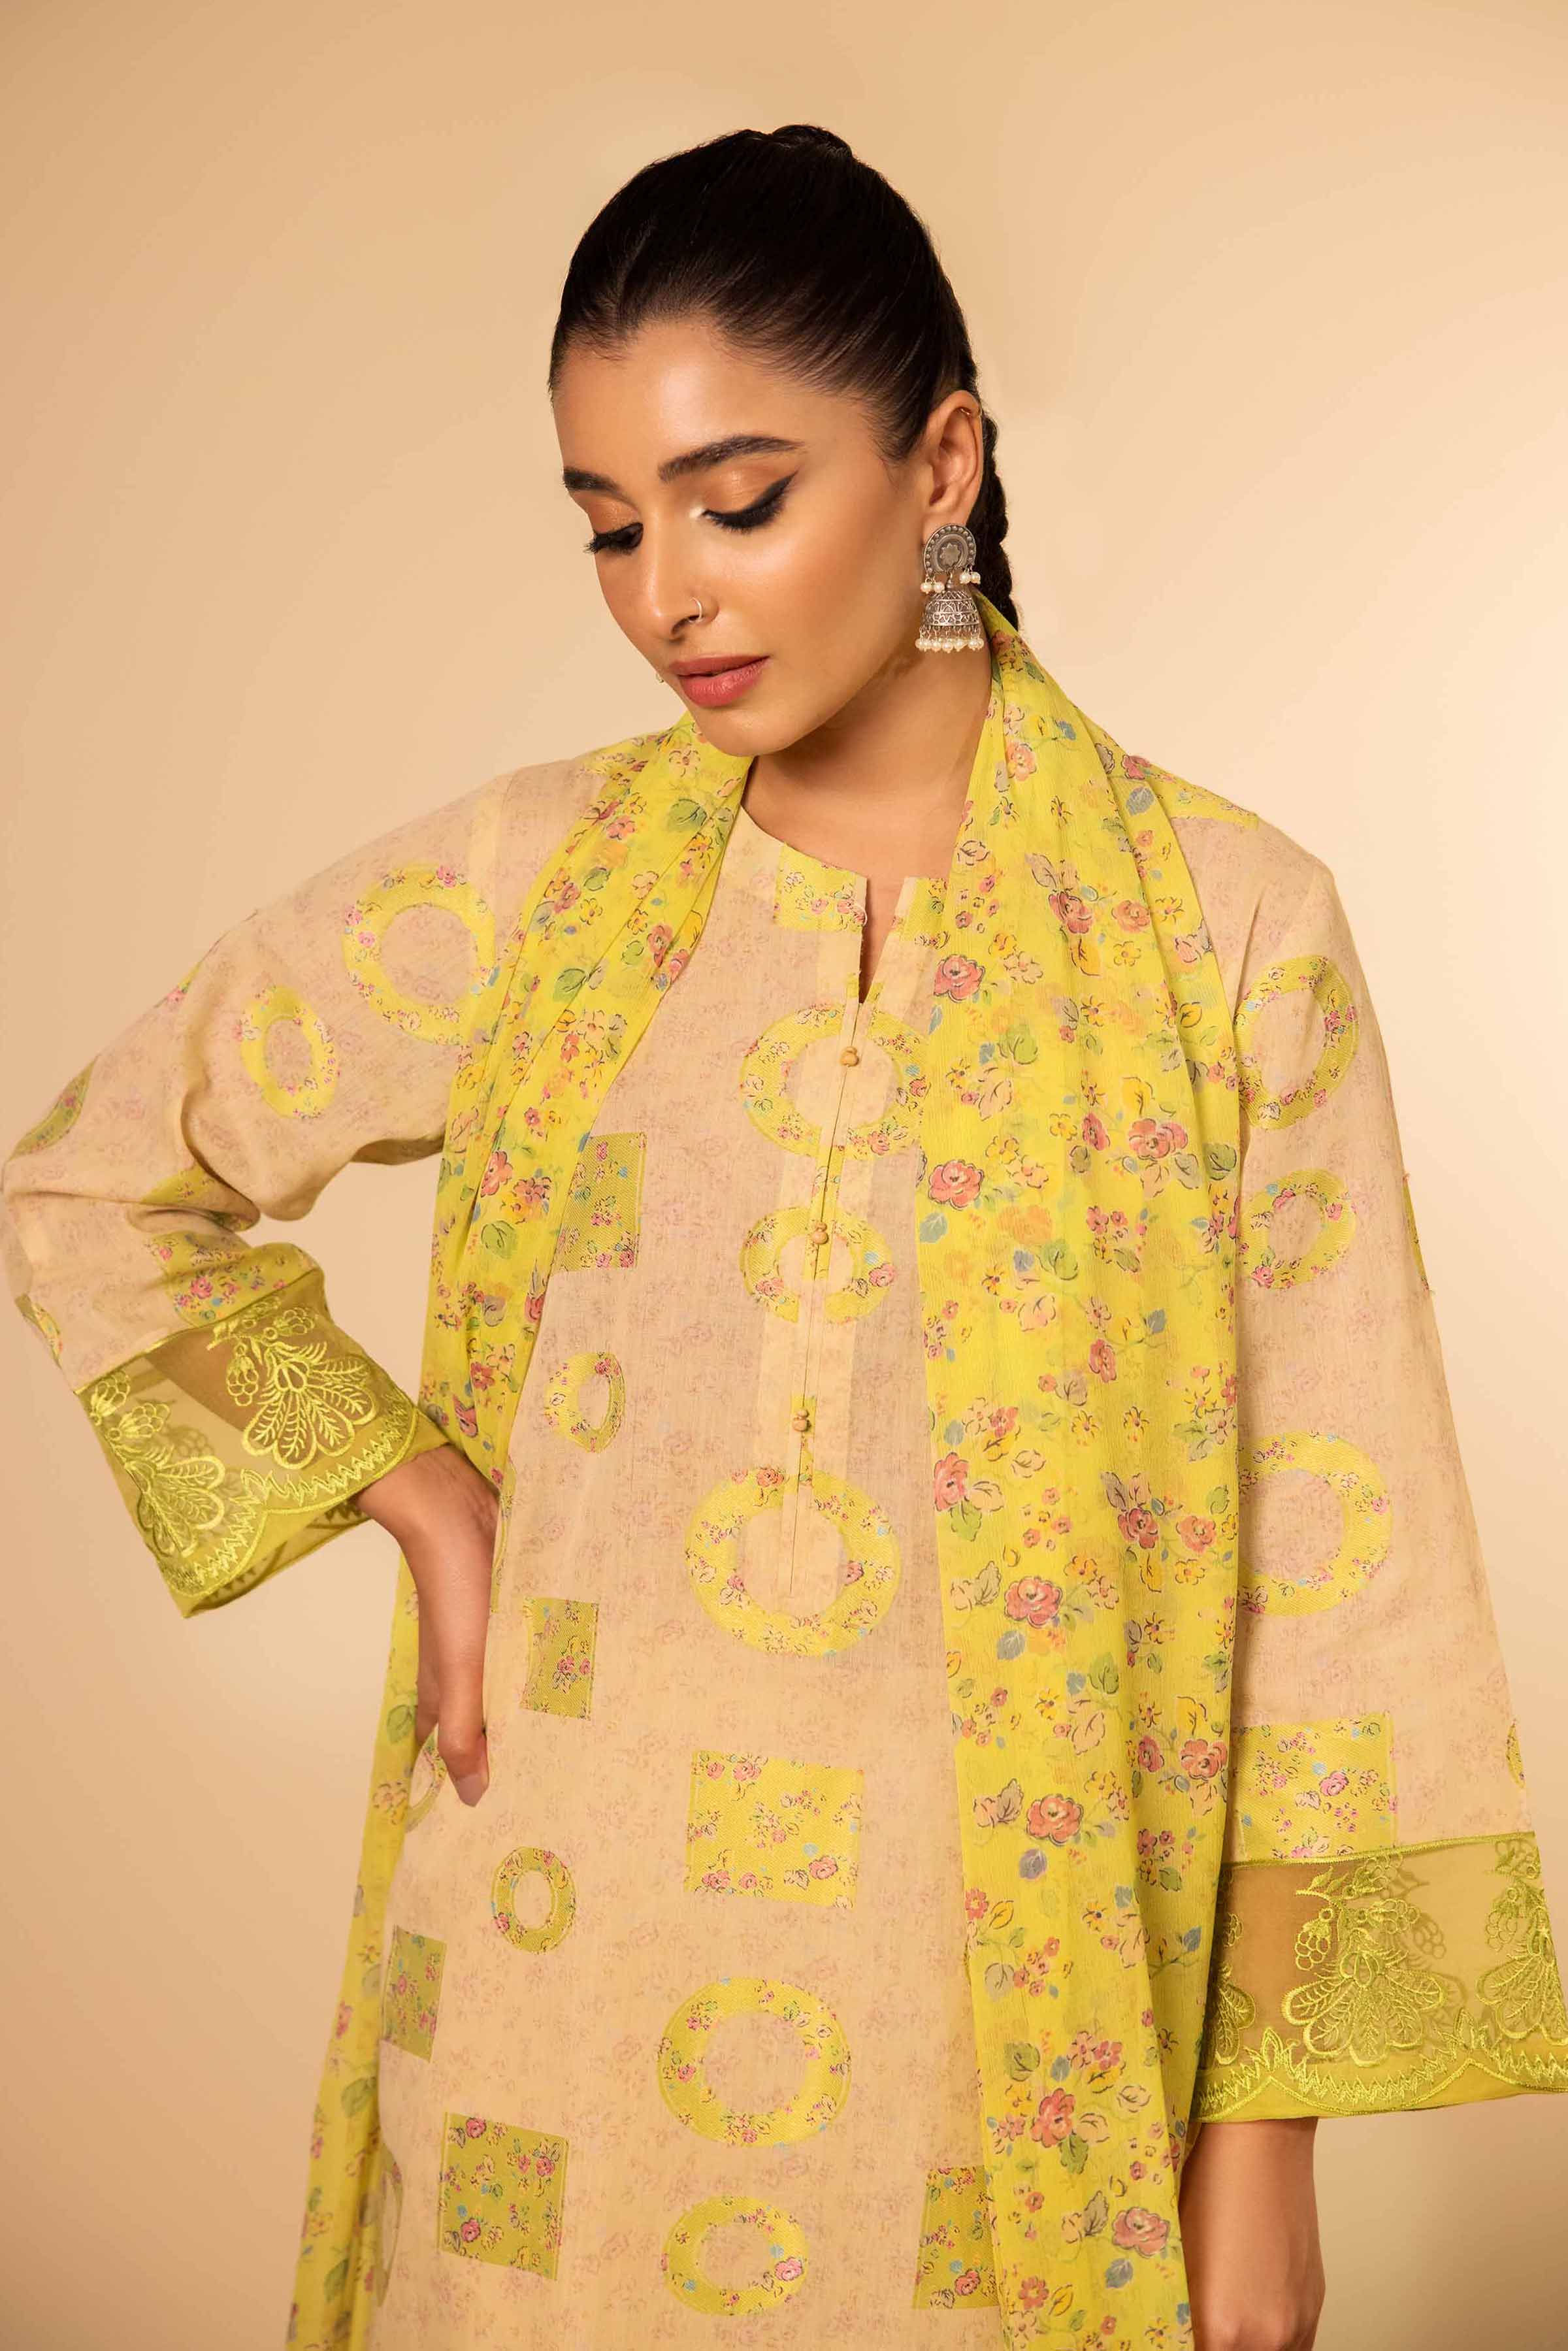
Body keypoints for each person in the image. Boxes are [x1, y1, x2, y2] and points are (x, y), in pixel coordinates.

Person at [5, 122, 1565, 2351]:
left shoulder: (1226, 935)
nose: (668, 596)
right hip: (543, 2020)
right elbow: (92, 1179)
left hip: (1005, 2062)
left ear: (943, 465)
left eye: (736, 503)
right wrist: (414, 1489)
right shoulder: (540, 886)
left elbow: (1341, 1565)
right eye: (609, 526)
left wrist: (1260, 2148)